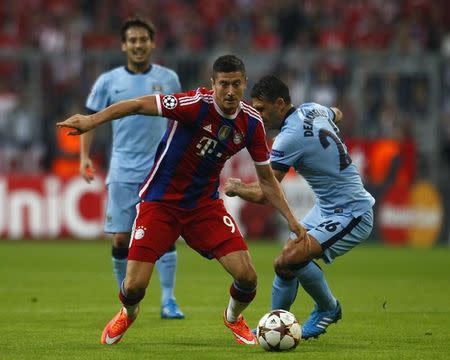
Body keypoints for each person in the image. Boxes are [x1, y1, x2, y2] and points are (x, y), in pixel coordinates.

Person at [57, 55, 304, 346]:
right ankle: (128, 311)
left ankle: (234, 318)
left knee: (248, 277)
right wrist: (91, 120)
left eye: (236, 84)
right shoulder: (193, 105)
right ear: (213, 84)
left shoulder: (251, 124)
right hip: (160, 202)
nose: (229, 91)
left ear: (244, 84)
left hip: (204, 207)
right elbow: (137, 104)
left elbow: (267, 180)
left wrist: (293, 221)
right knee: (134, 286)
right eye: (223, 84)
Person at [224, 75, 375, 340]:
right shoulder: (313, 108)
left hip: (352, 211)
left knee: (290, 259)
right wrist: (332, 120)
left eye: (262, 109)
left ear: (280, 104)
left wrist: (236, 187)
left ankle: (329, 308)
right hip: (328, 206)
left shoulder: (288, 138)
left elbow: (264, 193)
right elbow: (336, 113)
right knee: (285, 262)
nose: (258, 115)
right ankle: (274, 327)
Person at [80, 18, 184, 319]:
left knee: (164, 236)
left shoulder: (169, 78)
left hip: (159, 169)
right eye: (133, 40)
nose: (138, 45)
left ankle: (168, 300)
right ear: (124, 45)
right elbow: (90, 118)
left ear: (152, 43)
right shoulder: (108, 81)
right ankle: (128, 303)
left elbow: (180, 120)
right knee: (120, 238)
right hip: (123, 168)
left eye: (143, 40)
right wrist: (84, 157)